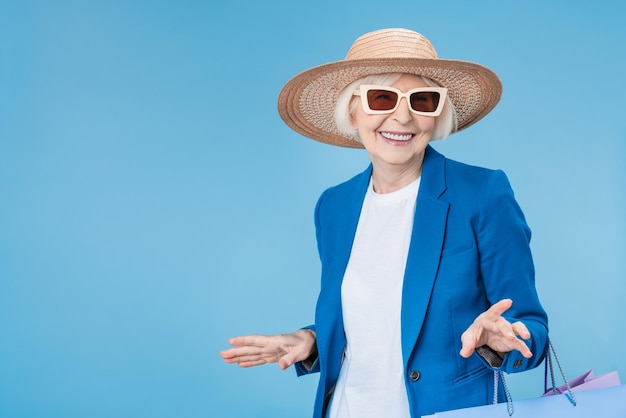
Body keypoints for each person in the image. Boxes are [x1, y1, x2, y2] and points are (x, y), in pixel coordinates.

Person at [219, 28, 549, 418]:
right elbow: (374, 322)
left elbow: (532, 328)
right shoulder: (334, 206)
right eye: (382, 98)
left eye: (422, 100)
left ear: (437, 113)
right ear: (354, 110)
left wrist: (504, 339)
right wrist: (312, 339)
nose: (403, 116)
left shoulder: (483, 193)